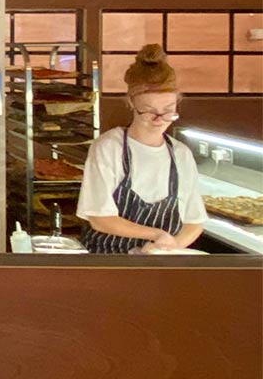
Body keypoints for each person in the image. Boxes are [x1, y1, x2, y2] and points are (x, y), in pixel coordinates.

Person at [77, 44, 206, 254]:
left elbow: (194, 221)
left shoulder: (180, 154)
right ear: (131, 103)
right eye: (148, 111)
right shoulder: (109, 147)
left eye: (168, 112)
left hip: (160, 263)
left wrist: (167, 247)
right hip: (109, 261)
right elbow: (99, 218)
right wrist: (156, 235)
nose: (159, 120)